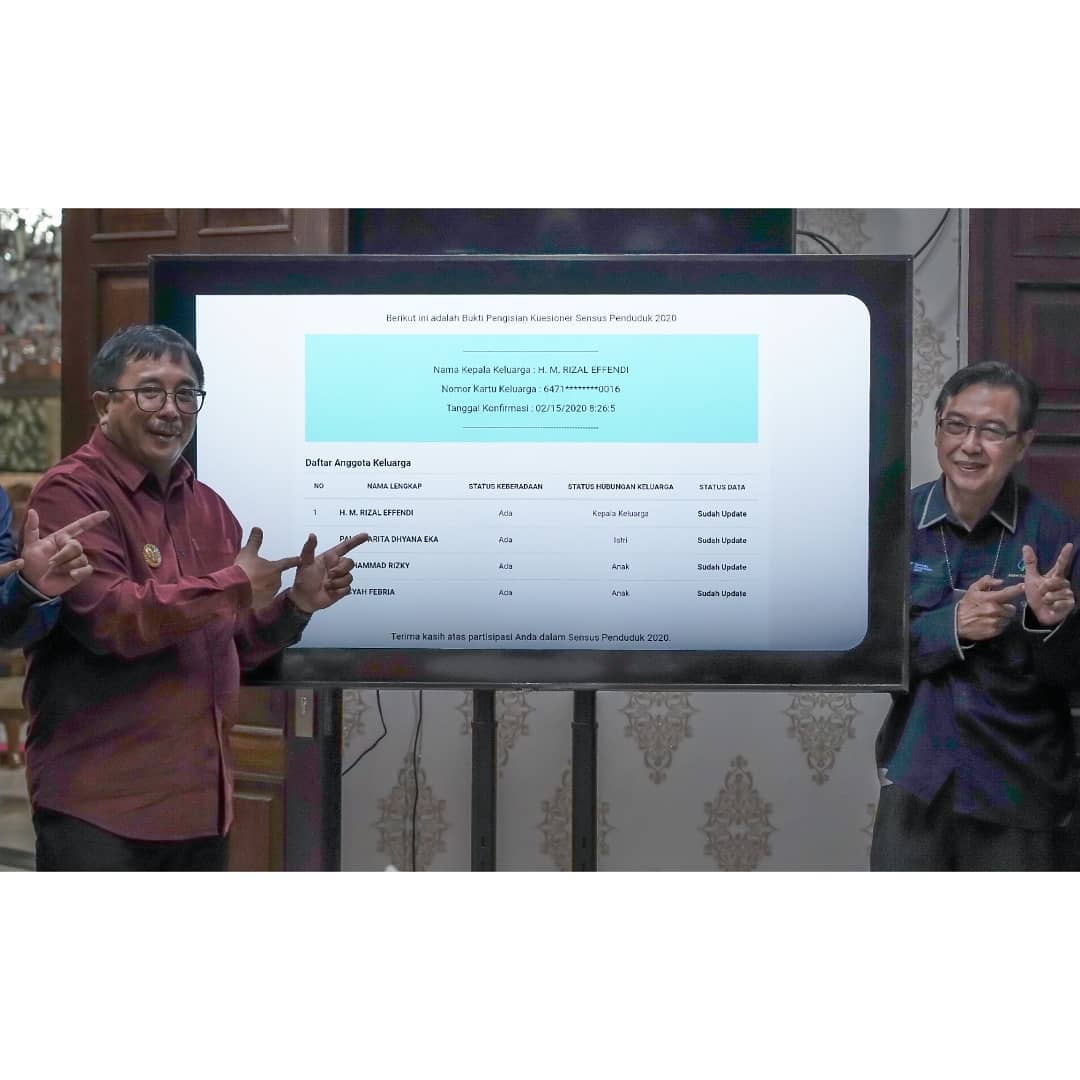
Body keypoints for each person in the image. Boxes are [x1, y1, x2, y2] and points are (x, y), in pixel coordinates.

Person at [23, 324, 367, 871]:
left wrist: (296, 605)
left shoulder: (208, 507)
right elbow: (114, 621)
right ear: (104, 405)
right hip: (100, 808)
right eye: (150, 391)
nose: (171, 409)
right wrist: (233, 585)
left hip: (203, 809)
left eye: (186, 394)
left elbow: (231, 647)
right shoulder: (71, 493)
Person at [872, 361, 1080, 871]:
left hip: (1022, 786)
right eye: (957, 425)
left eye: (992, 431)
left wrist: (1049, 625)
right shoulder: (894, 523)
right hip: (918, 780)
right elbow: (870, 655)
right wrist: (951, 627)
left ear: (1022, 444)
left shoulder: (1057, 535)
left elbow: (1073, 675)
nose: (970, 445)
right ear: (938, 429)